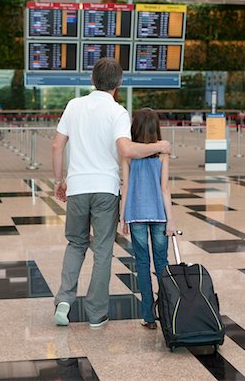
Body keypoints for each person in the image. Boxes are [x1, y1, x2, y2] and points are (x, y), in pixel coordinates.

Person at [52, 58, 171, 329]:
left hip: (78, 187)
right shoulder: (118, 112)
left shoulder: (73, 105)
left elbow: (57, 146)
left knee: (75, 243)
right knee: (103, 251)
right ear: (118, 84)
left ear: (93, 80)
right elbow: (127, 151)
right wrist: (159, 146)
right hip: (105, 189)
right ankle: (96, 315)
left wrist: (59, 180)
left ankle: (64, 301)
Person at [120, 108, 175, 330]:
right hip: (159, 215)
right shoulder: (162, 154)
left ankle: (148, 317)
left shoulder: (128, 155)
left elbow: (125, 186)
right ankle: (167, 311)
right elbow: (165, 188)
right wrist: (171, 220)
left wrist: (123, 217)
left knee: (142, 264)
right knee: (162, 263)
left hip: (136, 215)